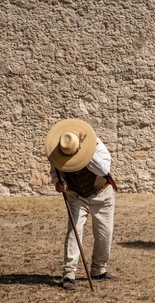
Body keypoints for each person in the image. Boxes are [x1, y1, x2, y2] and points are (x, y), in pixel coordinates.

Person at [45, 118, 117, 290]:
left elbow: (103, 170)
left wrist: (85, 155)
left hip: (102, 195)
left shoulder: (97, 146)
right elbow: (56, 171)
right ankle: (69, 274)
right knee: (74, 231)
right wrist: (58, 183)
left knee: (104, 233)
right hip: (76, 195)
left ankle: (98, 269)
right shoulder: (60, 149)